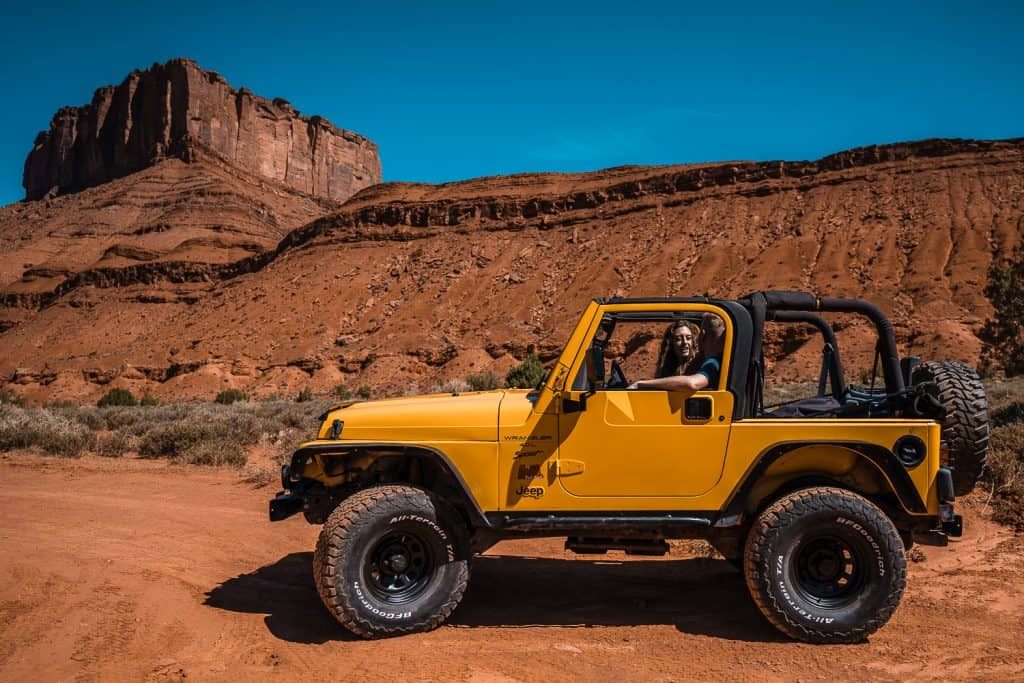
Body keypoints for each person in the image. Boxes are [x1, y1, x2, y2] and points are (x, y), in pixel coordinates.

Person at [628, 313, 726, 391]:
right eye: (679, 339)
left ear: (699, 338)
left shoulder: (709, 363)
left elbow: (692, 383)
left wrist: (640, 384)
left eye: (688, 338)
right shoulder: (667, 367)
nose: (685, 343)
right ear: (671, 343)